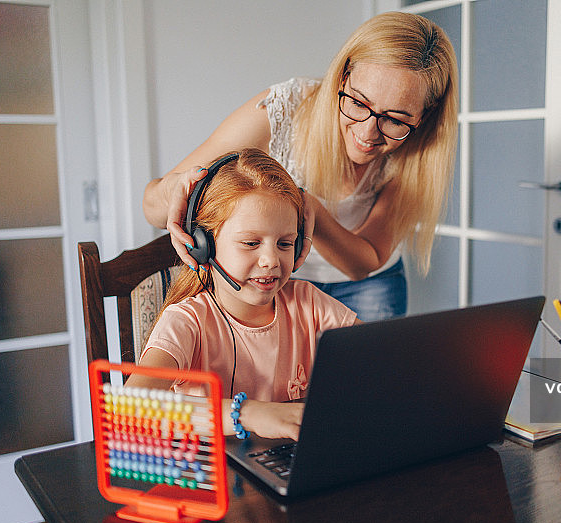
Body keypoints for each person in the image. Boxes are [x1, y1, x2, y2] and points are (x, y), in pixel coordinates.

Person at [143, 12, 458, 321]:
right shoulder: (279, 112)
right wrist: (178, 189)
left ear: (424, 116)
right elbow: (151, 204)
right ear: (343, 76)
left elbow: (365, 262)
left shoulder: (419, 149)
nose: (367, 133)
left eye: (395, 119)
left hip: (371, 284)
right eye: (359, 103)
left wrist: (311, 211)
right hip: (274, 278)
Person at [126, 148, 359, 441]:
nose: (271, 260)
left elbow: (384, 359)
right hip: (211, 475)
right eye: (250, 243)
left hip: (286, 467)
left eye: (285, 243)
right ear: (202, 246)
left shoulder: (307, 303)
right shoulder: (187, 322)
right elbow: (131, 409)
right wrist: (247, 414)